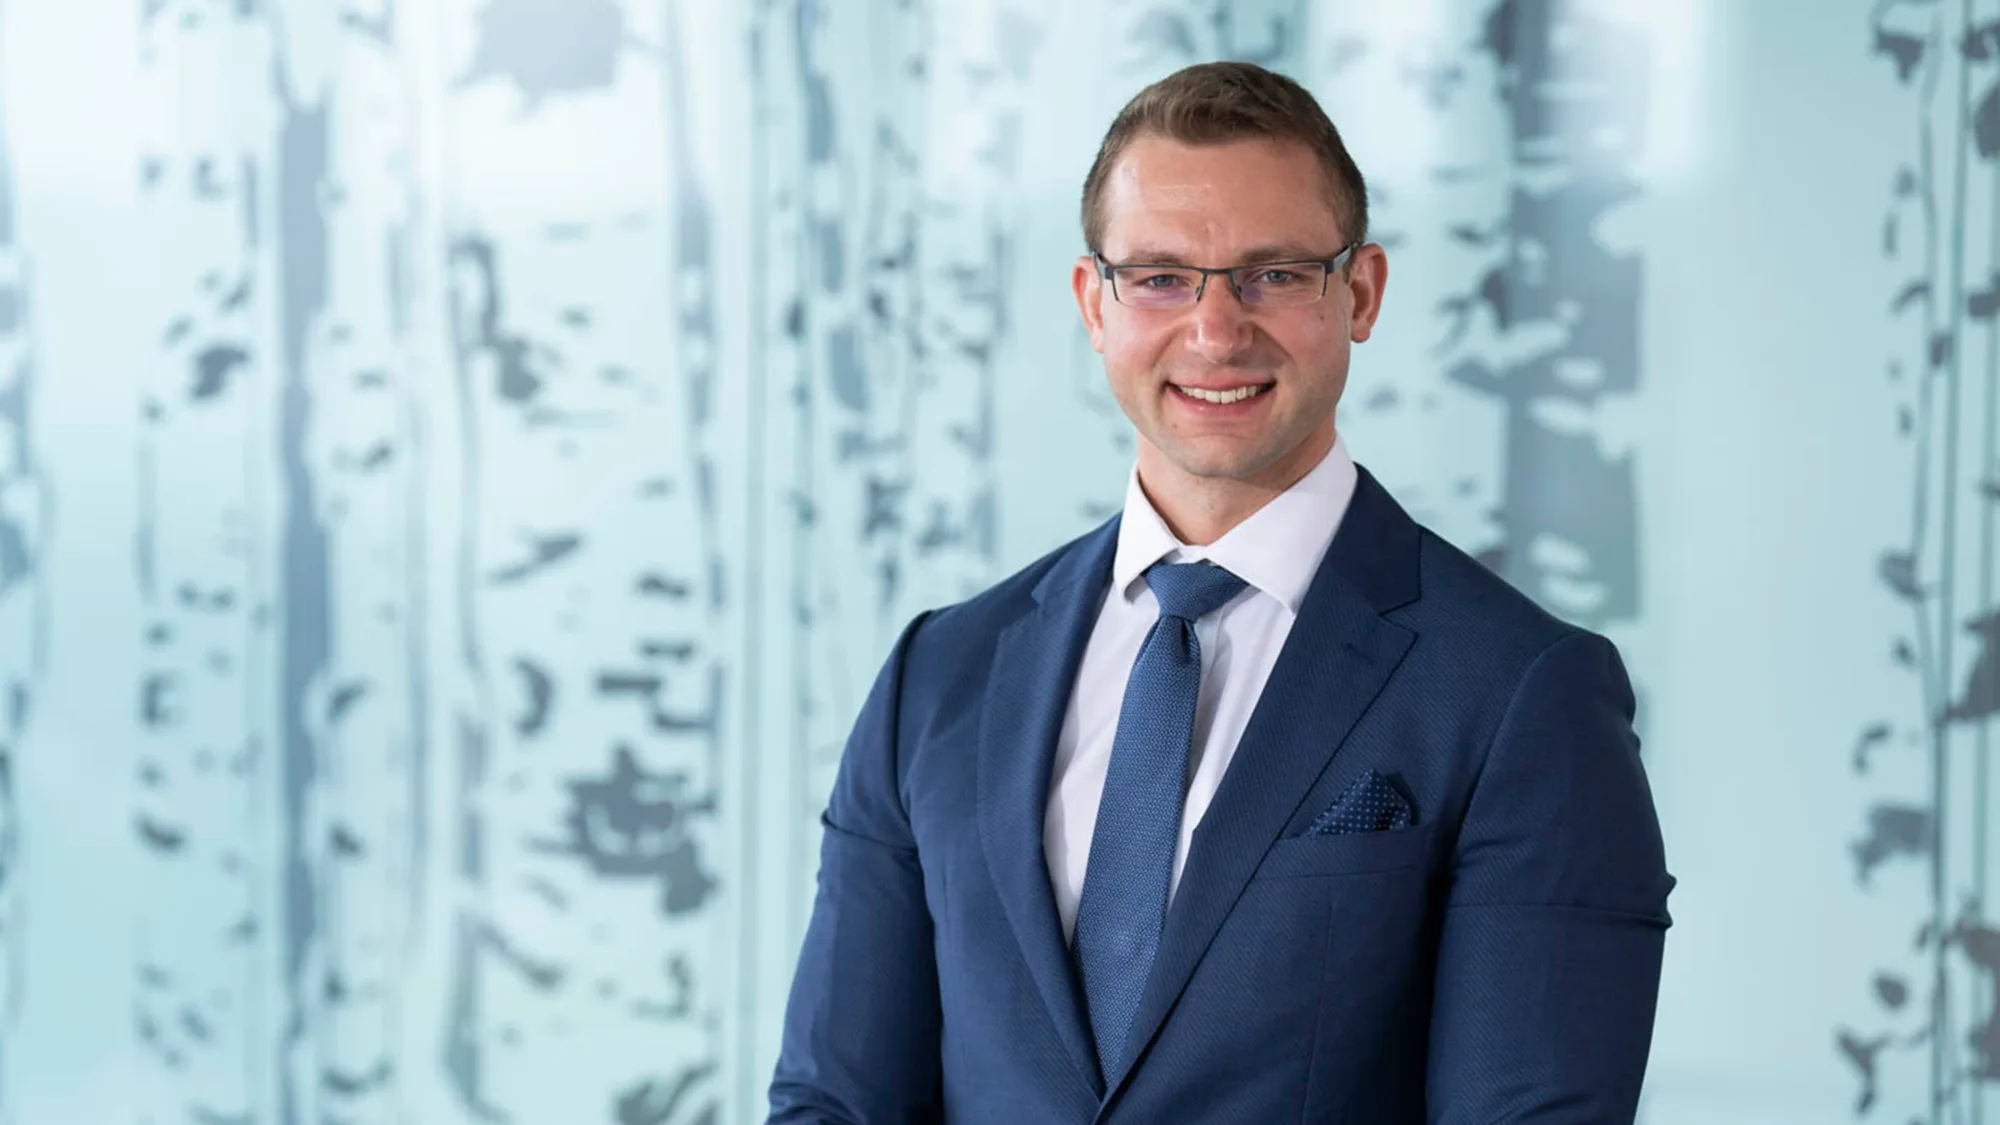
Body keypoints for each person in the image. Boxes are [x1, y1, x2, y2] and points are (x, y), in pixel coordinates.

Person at [767, 60, 1673, 1124]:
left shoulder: (1522, 693)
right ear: (1091, 304)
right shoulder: (941, 673)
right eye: (1158, 276)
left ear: (1361, 292)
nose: (1213, 331)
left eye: (1273, 274)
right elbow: (833, 1102)